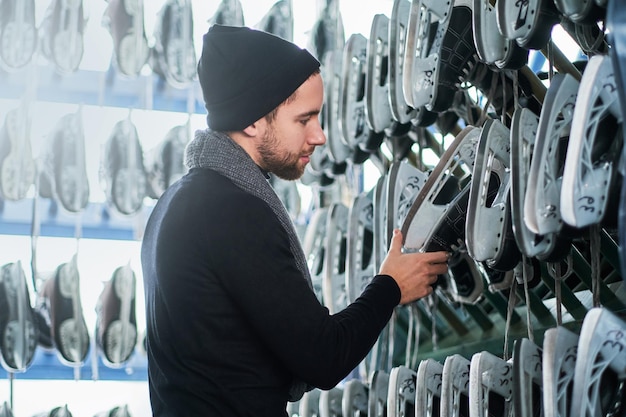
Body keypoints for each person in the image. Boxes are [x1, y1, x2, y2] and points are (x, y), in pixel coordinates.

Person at [141, 24, 449, 417]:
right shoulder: (232, 211)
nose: (319, 136)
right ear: (252, 121)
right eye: (305, 120)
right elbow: (323, 356)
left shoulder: (172, 205)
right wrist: (390, 286)